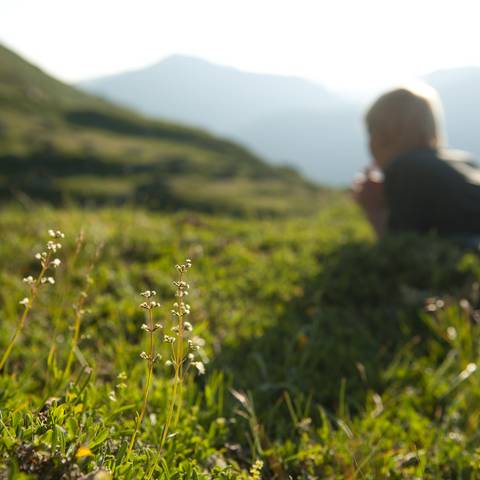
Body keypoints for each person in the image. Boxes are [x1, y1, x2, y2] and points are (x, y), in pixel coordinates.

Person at [353, 84, 480, 245]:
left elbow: (401, 248)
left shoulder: (405, 167)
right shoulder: (463, 160)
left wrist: (373, 208)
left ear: (381, 135)